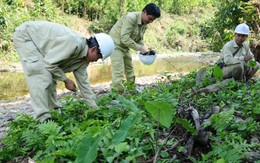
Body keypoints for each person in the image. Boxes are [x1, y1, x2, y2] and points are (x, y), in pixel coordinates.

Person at [13, 21, 115, 122]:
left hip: (41, 47)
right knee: (41, 75)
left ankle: (54, 113)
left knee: (50, 76)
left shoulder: (83, 61)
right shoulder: (74, 44)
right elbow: (50, 63)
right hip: (27, 36)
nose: (96, 60)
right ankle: (43, 118)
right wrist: (66, 80)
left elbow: (84, 86)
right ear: (93, 49)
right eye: (99, 57)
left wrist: (94, 109)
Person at [109, 3, 161, 93]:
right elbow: (124, 38)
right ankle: (117, 94)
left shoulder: (144, 24)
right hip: (115, 45)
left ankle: (131, 90)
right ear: (144, 12)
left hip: (125, 47)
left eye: (152, 20)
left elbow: (139, 40)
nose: (150, 22)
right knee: (118, 71)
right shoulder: (131, 18)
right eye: (150, 19)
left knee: (130, 70)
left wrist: (146, 51)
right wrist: (140, 49)